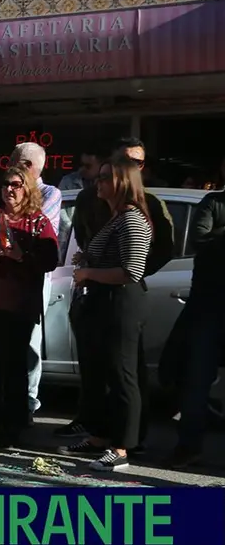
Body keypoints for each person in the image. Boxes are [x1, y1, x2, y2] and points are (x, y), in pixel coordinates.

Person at [60, 158, 152, 472]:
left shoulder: (132, 219)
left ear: (122, 183)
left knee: (122, 376)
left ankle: (123, 447)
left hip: (121, 304)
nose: (97, 183)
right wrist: (88, 258)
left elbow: (132, 271)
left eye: (104, 178)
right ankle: (100, 436)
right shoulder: (116, 217)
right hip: (104, 303)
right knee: (103, 373)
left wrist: (88, 272)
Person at [0, 166, 59, 449]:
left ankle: (13, 427)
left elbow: (50, 259)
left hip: (20, 305)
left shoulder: (38, 222)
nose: (10, 189)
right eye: (6, 184)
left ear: (27, 188)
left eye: (16, 184)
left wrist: (21, 255)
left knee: (15, 367)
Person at [164, 184, 225, 467]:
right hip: (208, 306)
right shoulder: (213, 202)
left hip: (208, 307)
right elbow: (200, 240)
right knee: (195, 378)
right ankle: (189, 446)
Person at [8, 142, 62, 422]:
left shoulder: (50, 193)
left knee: (30, 340)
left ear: (27, 166)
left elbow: (33, 225)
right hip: (5, 279)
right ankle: (4, 401)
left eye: (14, 162)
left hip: (32, 276)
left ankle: (28, 402)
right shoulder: (5, 190)